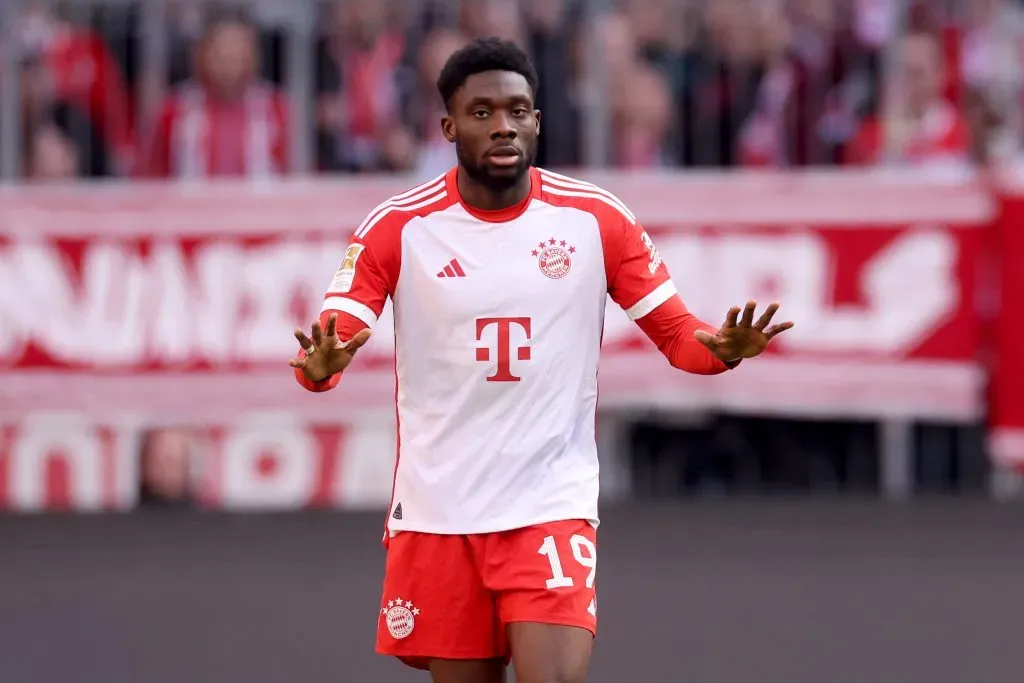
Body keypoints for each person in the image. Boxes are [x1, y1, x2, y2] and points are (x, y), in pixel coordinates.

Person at [290, 37, 794, 683]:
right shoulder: (398, 227)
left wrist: (720, 350)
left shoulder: (595, 219)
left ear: (537, 119)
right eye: (481, 112)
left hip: (548, 500)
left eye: (517, 110)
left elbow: (677, 335)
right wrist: (321, 364)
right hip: (441, 511)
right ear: (448, 125)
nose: (502, 124)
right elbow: (328, 348)